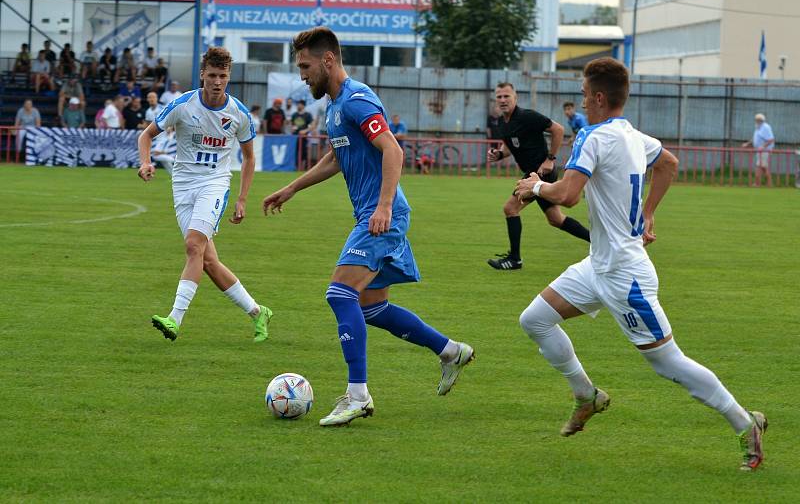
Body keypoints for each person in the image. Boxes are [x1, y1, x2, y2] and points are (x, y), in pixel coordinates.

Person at [514, 57, 766, 471]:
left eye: (582, 94)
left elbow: (568, 194)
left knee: (668, 363)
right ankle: (586, 396)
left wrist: (534, 185)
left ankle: (745, 423)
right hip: (599, 265)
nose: (580, 100)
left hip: (624, 275)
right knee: (535, 319)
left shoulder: (592, 136)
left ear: (597, 98)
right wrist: (648, 213)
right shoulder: (631, 135)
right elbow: (668, 163)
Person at [263, 27, 474, 428]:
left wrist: (383, 206)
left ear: (328, 61)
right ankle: (450, 351)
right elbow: (337, 157)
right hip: (376, 215)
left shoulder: (357, 99)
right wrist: (291, 188)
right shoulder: (334, 106)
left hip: (381, 217)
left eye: (306, 66)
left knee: (340, 294)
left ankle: (357, 395)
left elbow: (393, 150)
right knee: (371, 307)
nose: (302, 75)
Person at [137, 46, 271, 343]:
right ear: (202, 75)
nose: (217, 81)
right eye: (212, 75)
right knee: (207, 261)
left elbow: (249, 158)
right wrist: (145, 162)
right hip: (183, 186)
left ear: (228, 76)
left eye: (222, 76)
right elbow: (146, 135)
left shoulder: (238, 113)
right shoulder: (183, 105)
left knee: (193, 245)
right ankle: (257, 311)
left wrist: (241, 198)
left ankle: (175, 318)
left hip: (214, 185)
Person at [486, 82, 590, 270]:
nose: (502, 100)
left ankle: (515, 259)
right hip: (533, 174)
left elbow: (557, 129)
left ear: (515, 98)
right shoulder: (503, 122)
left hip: (539, 173)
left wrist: (550, 159)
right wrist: (500, 154)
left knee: (510, 208)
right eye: (499, 97)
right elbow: (510, 145)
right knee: (556, 219)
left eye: (506, 96)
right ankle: (598, 242)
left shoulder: (527, 116)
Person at [741, 113, 775, 187]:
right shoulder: (758, 127)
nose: (756, 121)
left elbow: (771, 140)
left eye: (758, 120)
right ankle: (760, 183)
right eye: (756, 119)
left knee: (762, 167)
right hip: (760, 151)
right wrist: (747, 143)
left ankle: (764, 184)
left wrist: (763, 146)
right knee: (761, 166)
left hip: (765, 151)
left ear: (762, 120)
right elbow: (755, 138)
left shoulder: (766, 127)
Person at [291, 99, 316, 168]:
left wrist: (305, 130)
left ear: (303, 105)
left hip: (304, 137)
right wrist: (292, 128)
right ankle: (295, 166)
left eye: (299, 104)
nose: (298, 106)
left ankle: (303, 167)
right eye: (297, 104)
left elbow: (313, 125)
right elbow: (292, 124)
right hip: (295, 137)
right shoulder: (294, 115)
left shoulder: (308, 115)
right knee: (295, 151)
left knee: (303, 153)